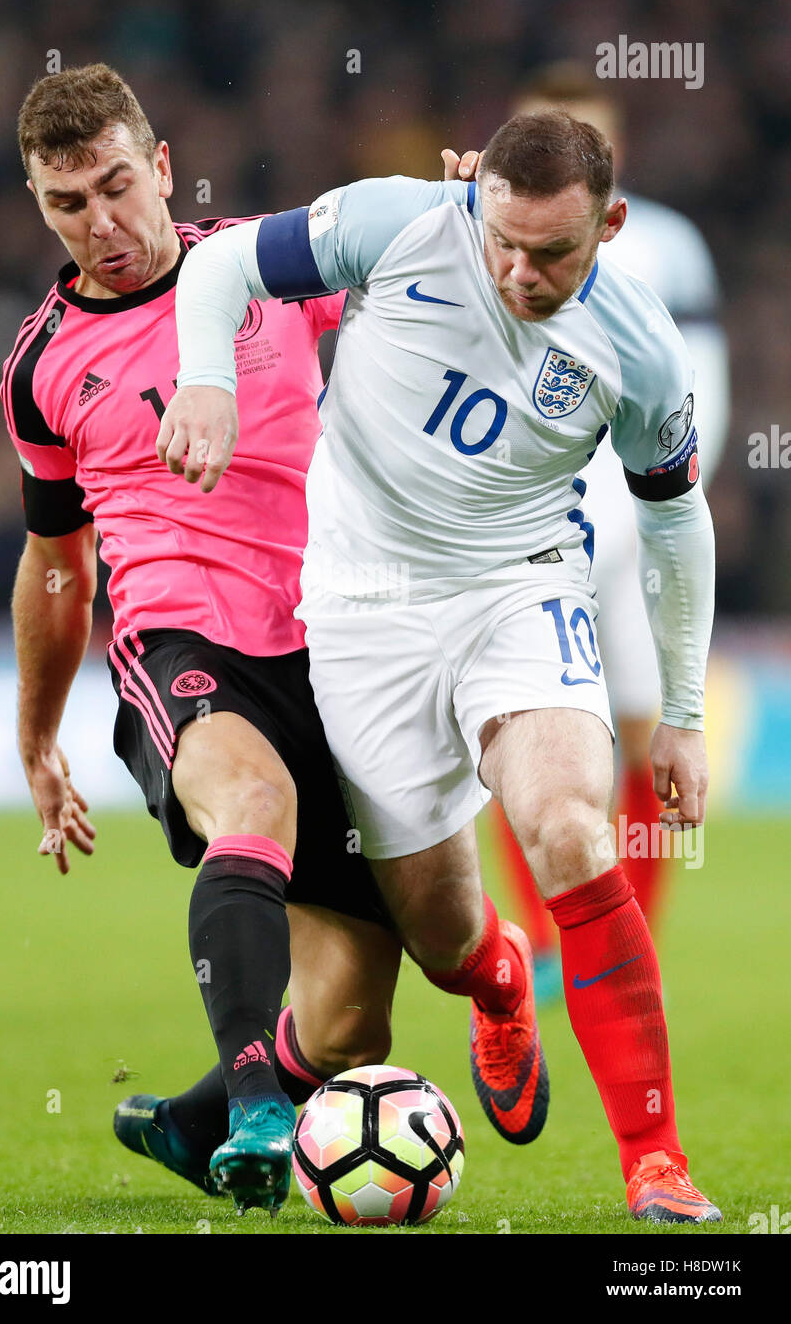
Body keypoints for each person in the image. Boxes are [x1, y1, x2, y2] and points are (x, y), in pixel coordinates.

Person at [166, 110, 721, 1223]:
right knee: (439, 941)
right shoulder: (398, 222)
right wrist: (205, 379)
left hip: (519, 590)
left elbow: (672, 517)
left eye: (551, 254)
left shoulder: (640, 346)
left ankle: (654, 1161)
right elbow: (222, 261)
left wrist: (680, 709)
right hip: (363, 621)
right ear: (476, 202)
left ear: (607, 226)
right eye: (501, 242)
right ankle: (499, 985)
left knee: (567, 824)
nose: (517, 271)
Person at [1, 62, 406, 1217]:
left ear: (162, 167)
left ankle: (193, 1120)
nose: (102, 225)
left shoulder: (268, 266)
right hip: (182, 639)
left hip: (337, 641)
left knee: (349, 1013)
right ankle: (256, 1107)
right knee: (252, 801)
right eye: (65, 204)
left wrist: (463, 198)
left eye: (117, 187)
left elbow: (401, 263)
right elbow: (58, 564)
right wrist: (38, 739)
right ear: (39, 205)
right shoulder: (41, 369)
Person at [483, 66, 730, 993]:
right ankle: (548, 943)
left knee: (641, 723)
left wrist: (666, 505)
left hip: (634, 519)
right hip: (524, 521)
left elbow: (695, 384)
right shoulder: (483, 236)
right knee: (525, 727)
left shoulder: (667, 243)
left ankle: (633, 935)